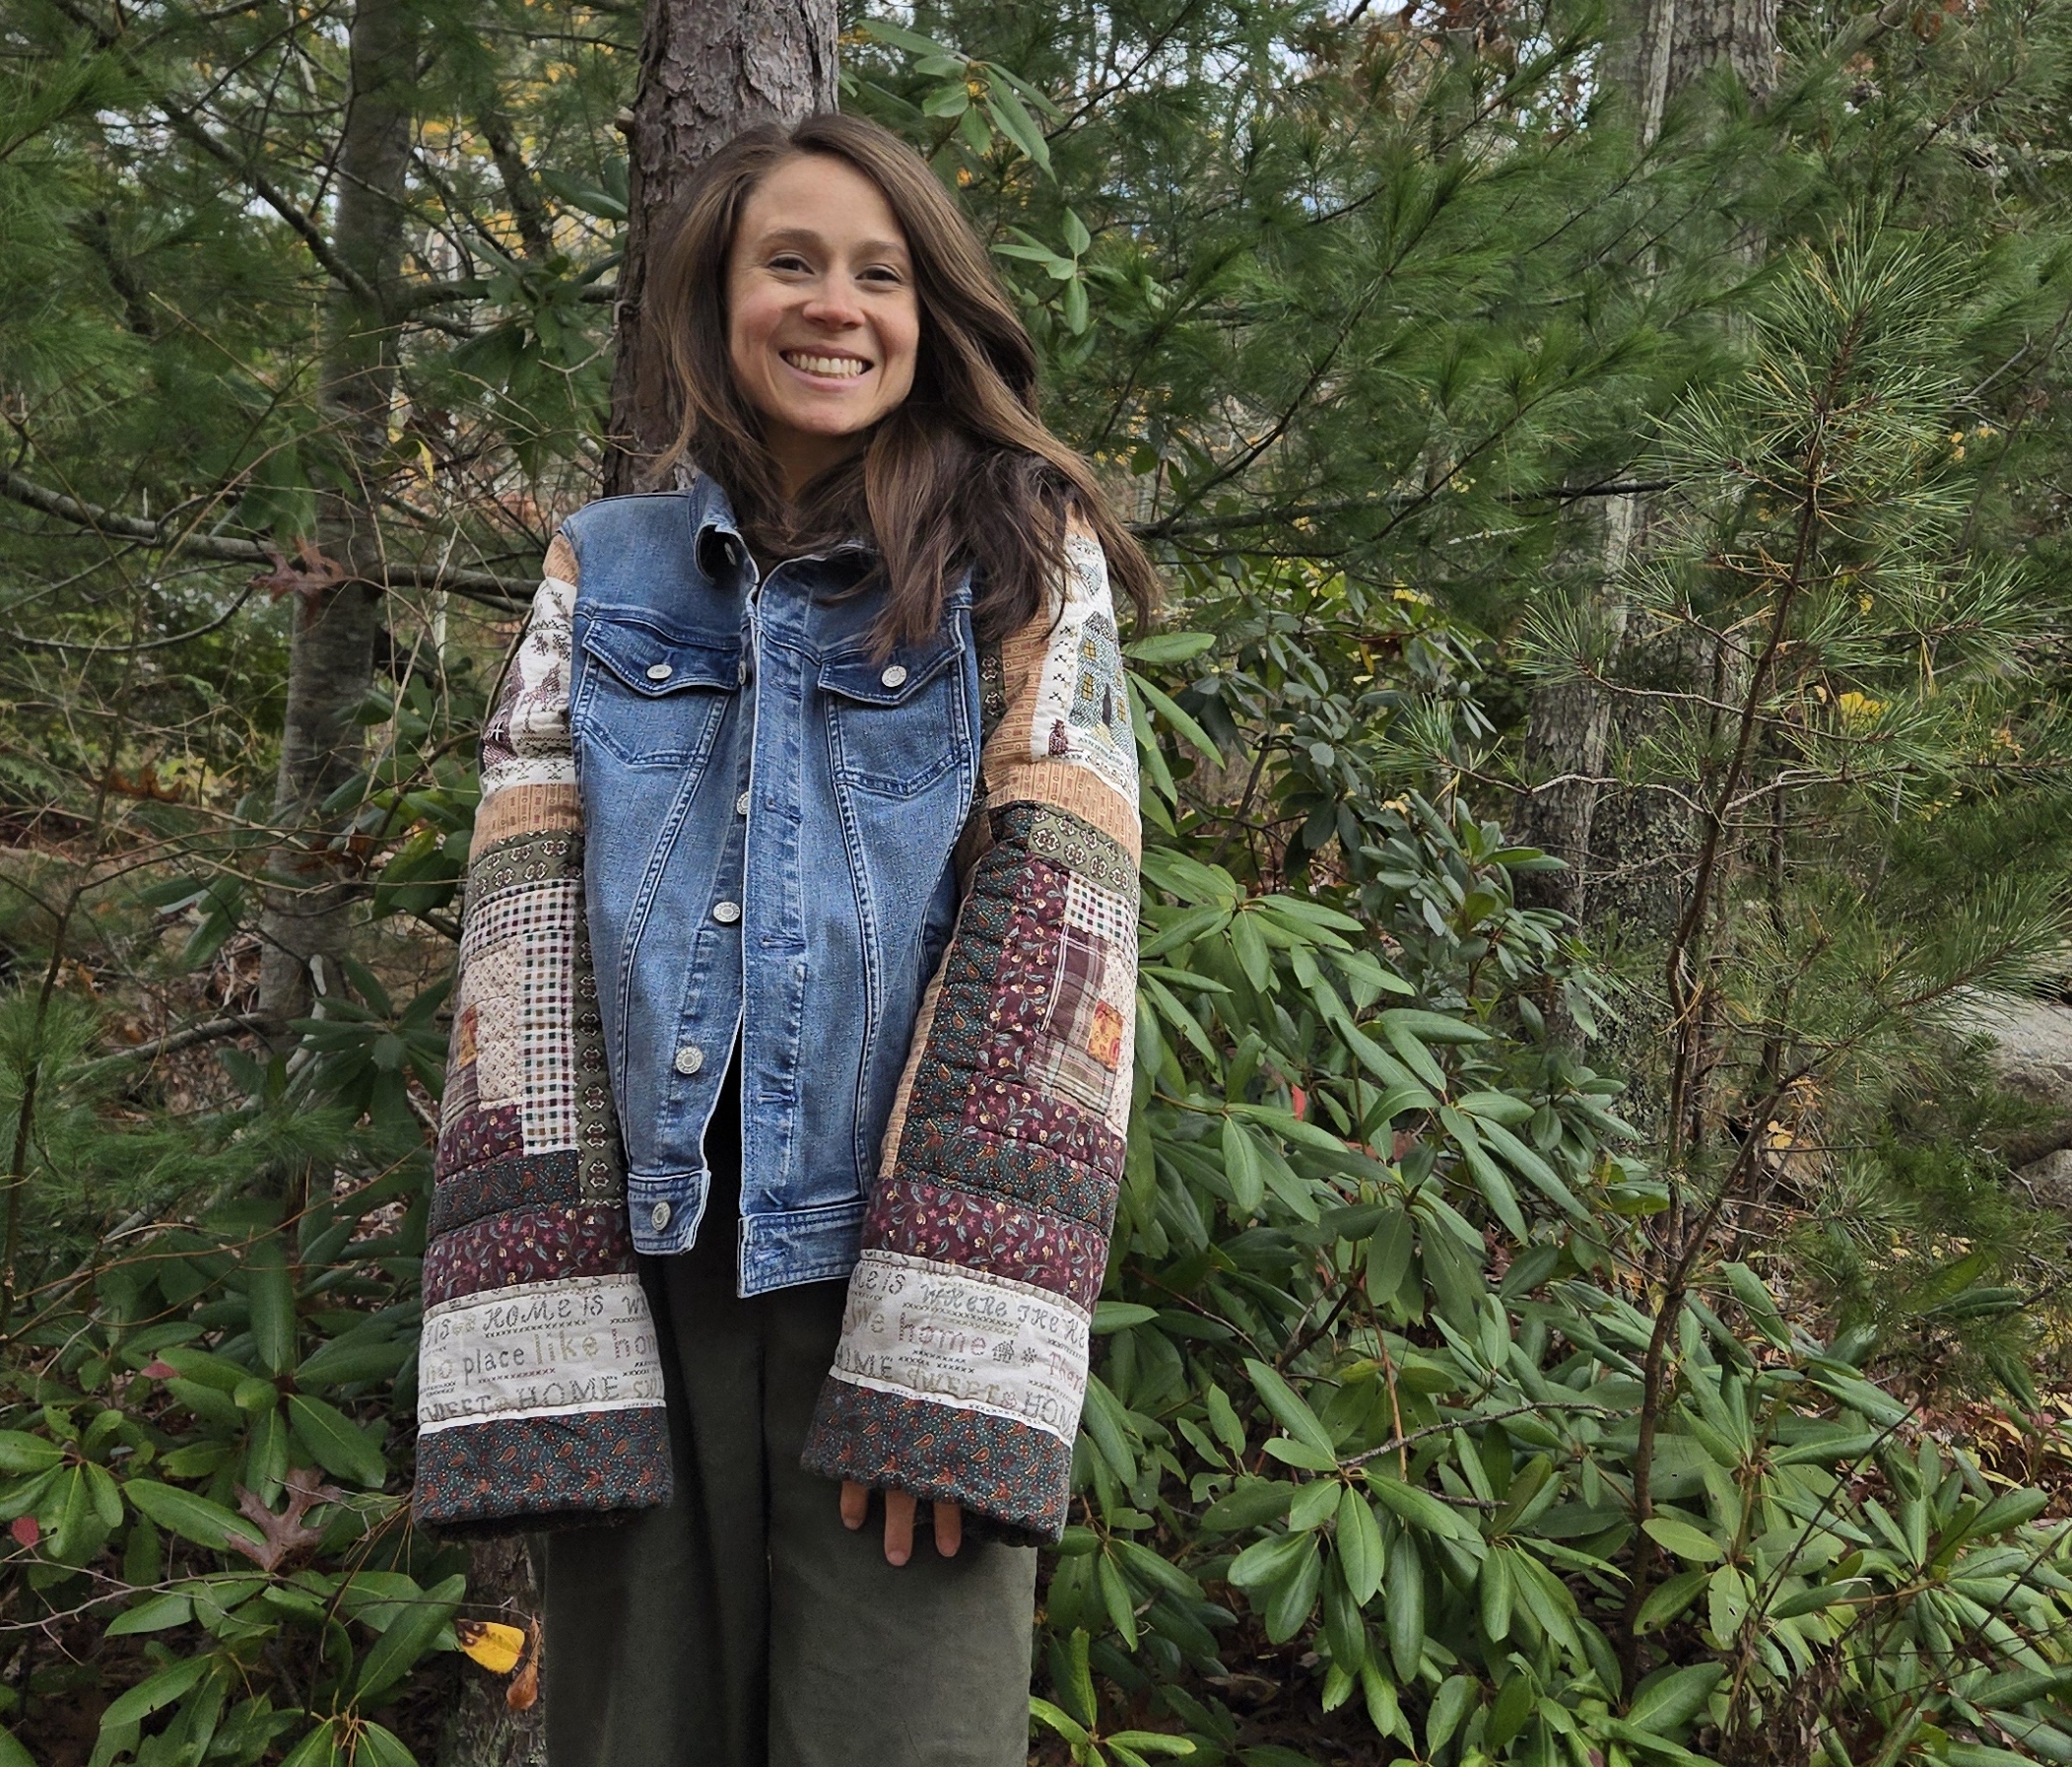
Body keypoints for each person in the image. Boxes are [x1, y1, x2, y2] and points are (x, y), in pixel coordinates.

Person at [410, 111, 1158, 1767]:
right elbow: (520, 934)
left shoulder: (1020, 556)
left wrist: (944, 1357)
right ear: (718, 300)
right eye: (792, 263)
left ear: (930, 311)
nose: (836, 305)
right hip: (647, 1266)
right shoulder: (602, 568)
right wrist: (554, 1331)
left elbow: (1064, 925)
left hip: (899, 1257)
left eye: (880, 274)